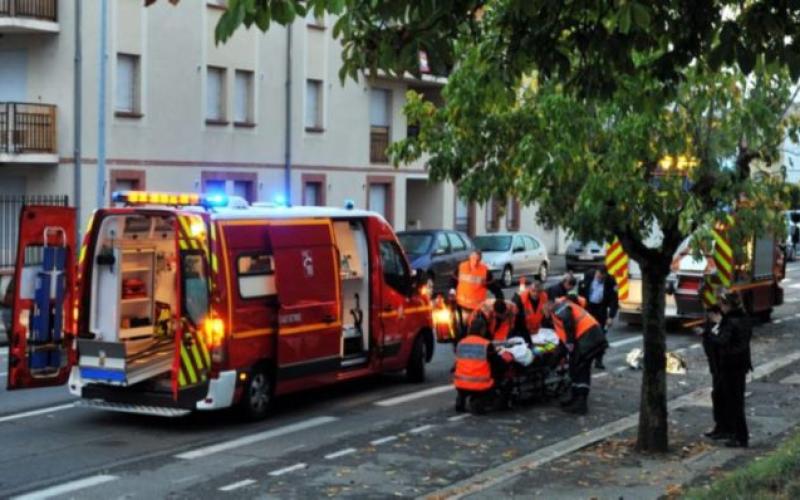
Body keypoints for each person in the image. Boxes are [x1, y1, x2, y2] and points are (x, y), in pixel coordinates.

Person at [705, 290, 753, 448]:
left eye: (722, 304)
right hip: (735, 365)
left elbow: (722, 341)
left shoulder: (732, 321)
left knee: (734, 402)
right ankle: (729, 431)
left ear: (728, 305)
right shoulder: (741, 318)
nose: (720, 307)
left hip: (731, 365)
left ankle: (739, 436)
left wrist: (712, 331)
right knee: (724, 397)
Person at [545, 297, 607, 415]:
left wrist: (570, 342)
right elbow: (562, 345)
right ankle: (575, 399)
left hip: (589, 338)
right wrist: (552, 364)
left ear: (548, 306)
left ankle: (580, 403)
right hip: (591, 337)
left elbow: (568, 323)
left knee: (581, 369)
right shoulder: (560, 311)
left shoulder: (558, 308)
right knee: (576, 368)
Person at [453, 316, 505, 412]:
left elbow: (456, 364)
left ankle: (462, 397)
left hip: (460, 383)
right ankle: (480, 400)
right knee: (499, 372)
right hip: (481, 384)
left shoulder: (461, 343)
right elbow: (497, 364)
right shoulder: (486, 344)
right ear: (482, 330)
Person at [578, 268, 619, 370]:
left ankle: (598, 361)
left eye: (602, 278)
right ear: (596, 273)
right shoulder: (588, 275)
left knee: (600, 336)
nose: (599, 278)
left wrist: (611, 317)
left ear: (605, 276)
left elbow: (614, 300)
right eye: (598, 276)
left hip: (601, 310)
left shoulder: (611, 281)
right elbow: (581, 291)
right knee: (585, 335)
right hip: (588, 308)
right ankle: (584, 359)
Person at [451, 250, 492, 339]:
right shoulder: (462, 267)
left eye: (478, 260)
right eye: (473, 259)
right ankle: (460, 344)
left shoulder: (484, 270)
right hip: (462, 305)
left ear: (480, 260)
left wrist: (499, 296)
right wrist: (452, 290)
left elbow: (492, 285)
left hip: (476, 308)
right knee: (461, 330)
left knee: (473, 332)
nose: (475, 262)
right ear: (470, 258)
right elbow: (453, 279)